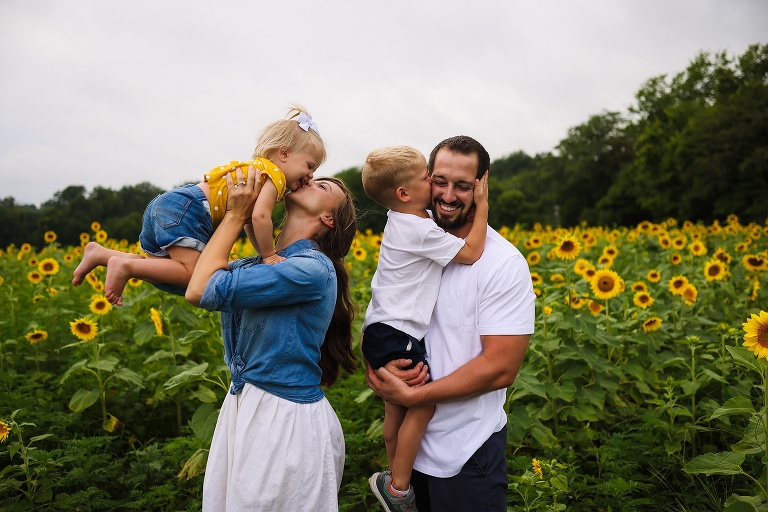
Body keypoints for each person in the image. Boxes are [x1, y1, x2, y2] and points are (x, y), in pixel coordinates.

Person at [366, 136, 536, 511]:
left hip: (466, 452)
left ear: (481, 186)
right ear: (425, 180)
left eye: (462, 186)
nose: (447, 194)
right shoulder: (418, 241)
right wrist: (378, 367)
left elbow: (500, 369)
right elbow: (384, 301)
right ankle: (395, 485)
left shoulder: (503, 264)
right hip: (415, 458)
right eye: (439, 181)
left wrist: (412, 396)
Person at [185, 167, 358, 511]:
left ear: (328, 218)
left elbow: (201, 289)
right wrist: (120, 262)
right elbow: (190, 275)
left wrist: (235, 215)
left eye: (322, 185)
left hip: (284, 423)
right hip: (248, 407)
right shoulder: (261, 265)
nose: (308, 178)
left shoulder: (312, 269)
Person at [72, 104, 323, 305]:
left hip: (172, 204)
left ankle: (103, 254)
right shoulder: (274, 177)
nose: (310, 174)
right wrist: (270, 256)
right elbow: (260, 219)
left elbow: (248, 224)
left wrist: (262, 253)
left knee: (166, 269)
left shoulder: (257, 170)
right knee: (196, 276)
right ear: (284, 153)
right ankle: (124, 264)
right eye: (309, 166)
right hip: (190, 211)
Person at [359, 145, 488, 512]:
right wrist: (484, 206)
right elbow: (471, 252)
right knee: (423, 403)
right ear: (403, 194)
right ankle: (400, 489)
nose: (431, 181)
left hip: (381, 329)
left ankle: (391, 471)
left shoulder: (402, 220)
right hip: (399, 333)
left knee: (394, 408)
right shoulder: (418, 230)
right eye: (426, 176)